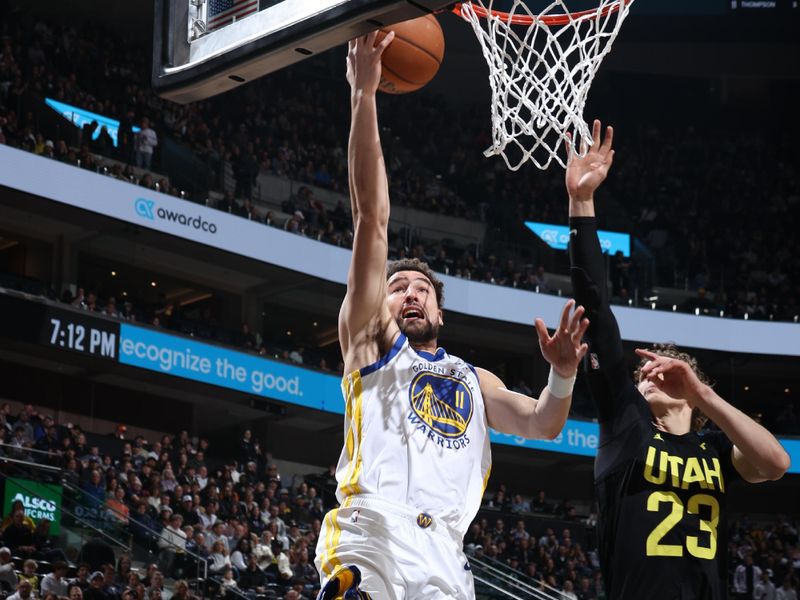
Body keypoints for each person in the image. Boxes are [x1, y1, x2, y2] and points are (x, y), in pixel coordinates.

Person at [314, 32, 590, 600]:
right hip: (373, 533)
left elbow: (544, 423)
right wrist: (363, 93)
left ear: (441, 309)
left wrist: (562, 375)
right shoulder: (370, 341)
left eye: (421, 288)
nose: (409, 294)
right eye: (397, 287)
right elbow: (372, 216)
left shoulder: (473, 379)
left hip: (446, 556)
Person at [566, 119, 791, 600]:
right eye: (644, 367)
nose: (647, 369)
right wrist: (581, 201)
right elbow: (597, 309)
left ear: (691, 383)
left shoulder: (716, 450)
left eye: (665, 367)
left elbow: (775, 463)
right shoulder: (626, 424)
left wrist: (703, 394)